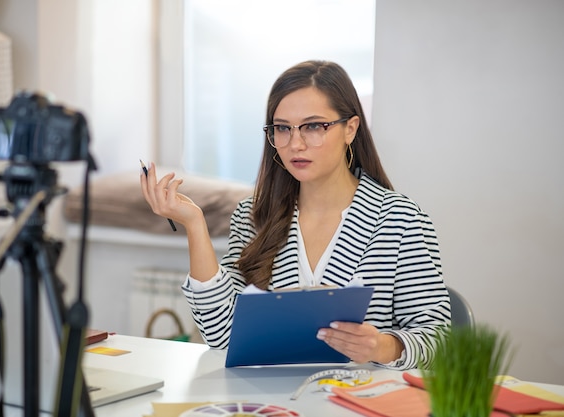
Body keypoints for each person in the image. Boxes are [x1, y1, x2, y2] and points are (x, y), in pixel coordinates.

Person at [140, 60, 450, 370]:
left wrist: (381, 345)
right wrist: (195, 224)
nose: (295, 144)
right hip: (272, 401)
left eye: (314, 126)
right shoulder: (254, 215)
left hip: (361, 399)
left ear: (350, 129)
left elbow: (438, 339)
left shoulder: (400, 219)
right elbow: (221, 335)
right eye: (283, 128)